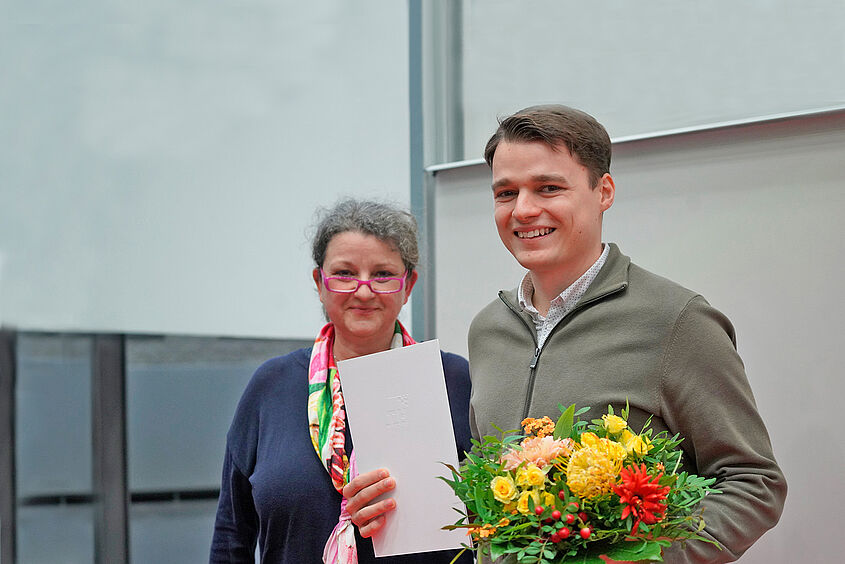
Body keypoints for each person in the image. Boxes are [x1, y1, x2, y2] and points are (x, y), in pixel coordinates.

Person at [467, 105, 787, 563]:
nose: (523, 209)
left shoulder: (677, 320)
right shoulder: (487, 330)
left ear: (604, 191)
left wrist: (647, 559)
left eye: (549, 188)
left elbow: (754, 482)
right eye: (505, 193)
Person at [210, 198, 473, 564]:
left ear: (408, 285)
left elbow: (490, 519)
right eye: (345, 274)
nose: (363, 291)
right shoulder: (271, 386)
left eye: (382, 275)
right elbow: (231, 538)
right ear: (320, 282)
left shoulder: (452, 382)